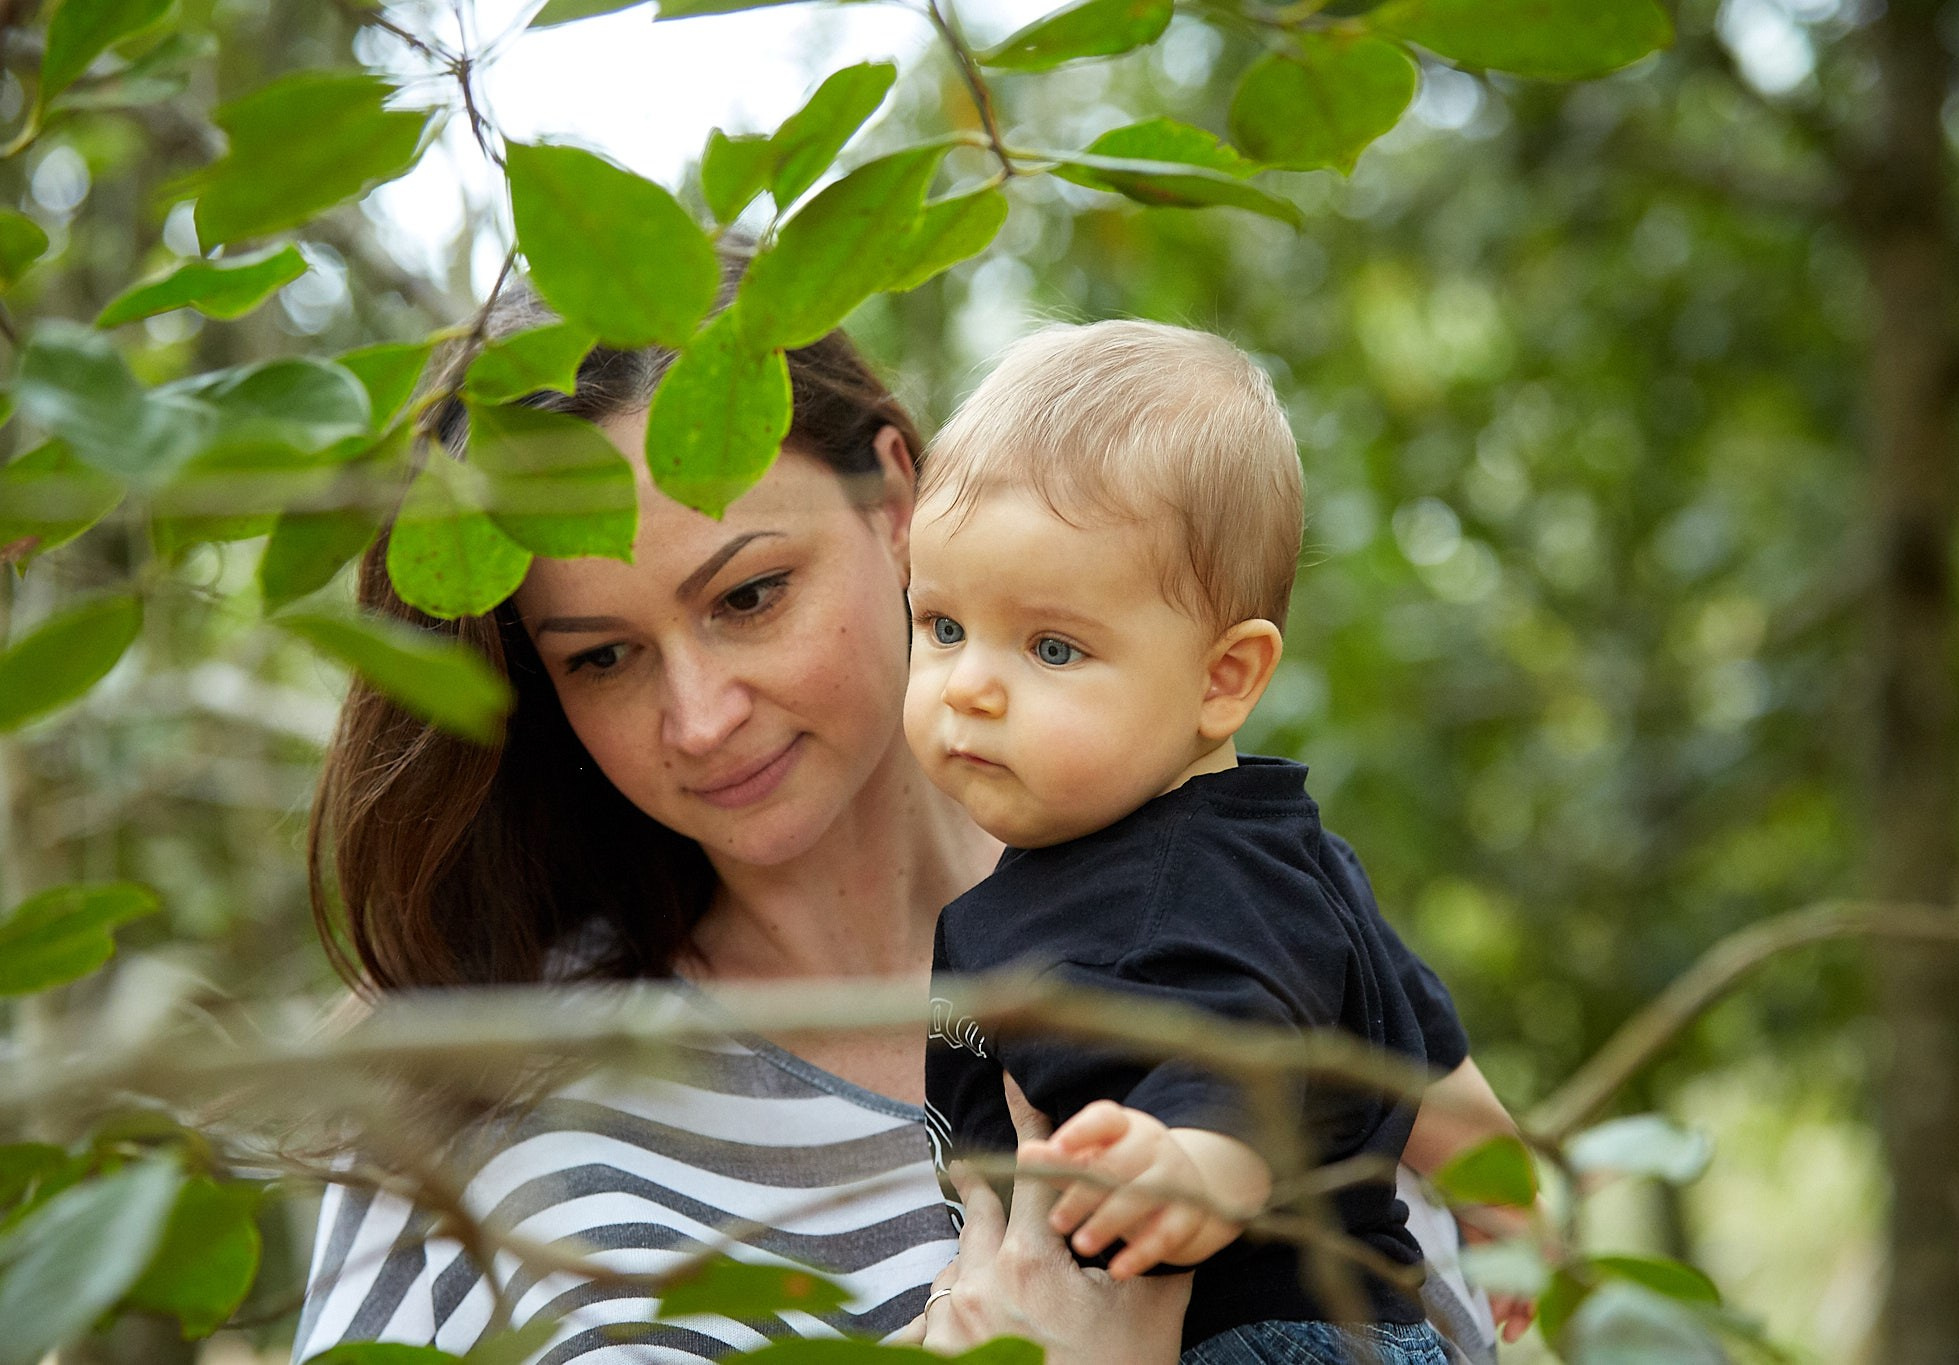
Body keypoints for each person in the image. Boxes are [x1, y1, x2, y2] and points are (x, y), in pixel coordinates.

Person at [292, 288, 1513, 1365]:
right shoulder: (462, 1099)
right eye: (602, 657)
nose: (700, 720)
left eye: (749, 595)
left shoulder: (1250, 919)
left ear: (893, 507)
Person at [907, 321, 1526, 1364]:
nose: (968, 685)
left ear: (1222, 679)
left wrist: (1189, 1169)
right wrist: (1508, 1204)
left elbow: (1237, 1062)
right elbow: (1417, 1060)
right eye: (942, 627)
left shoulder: (1185, 889)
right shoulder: (1281, 856)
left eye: (1051, 646)